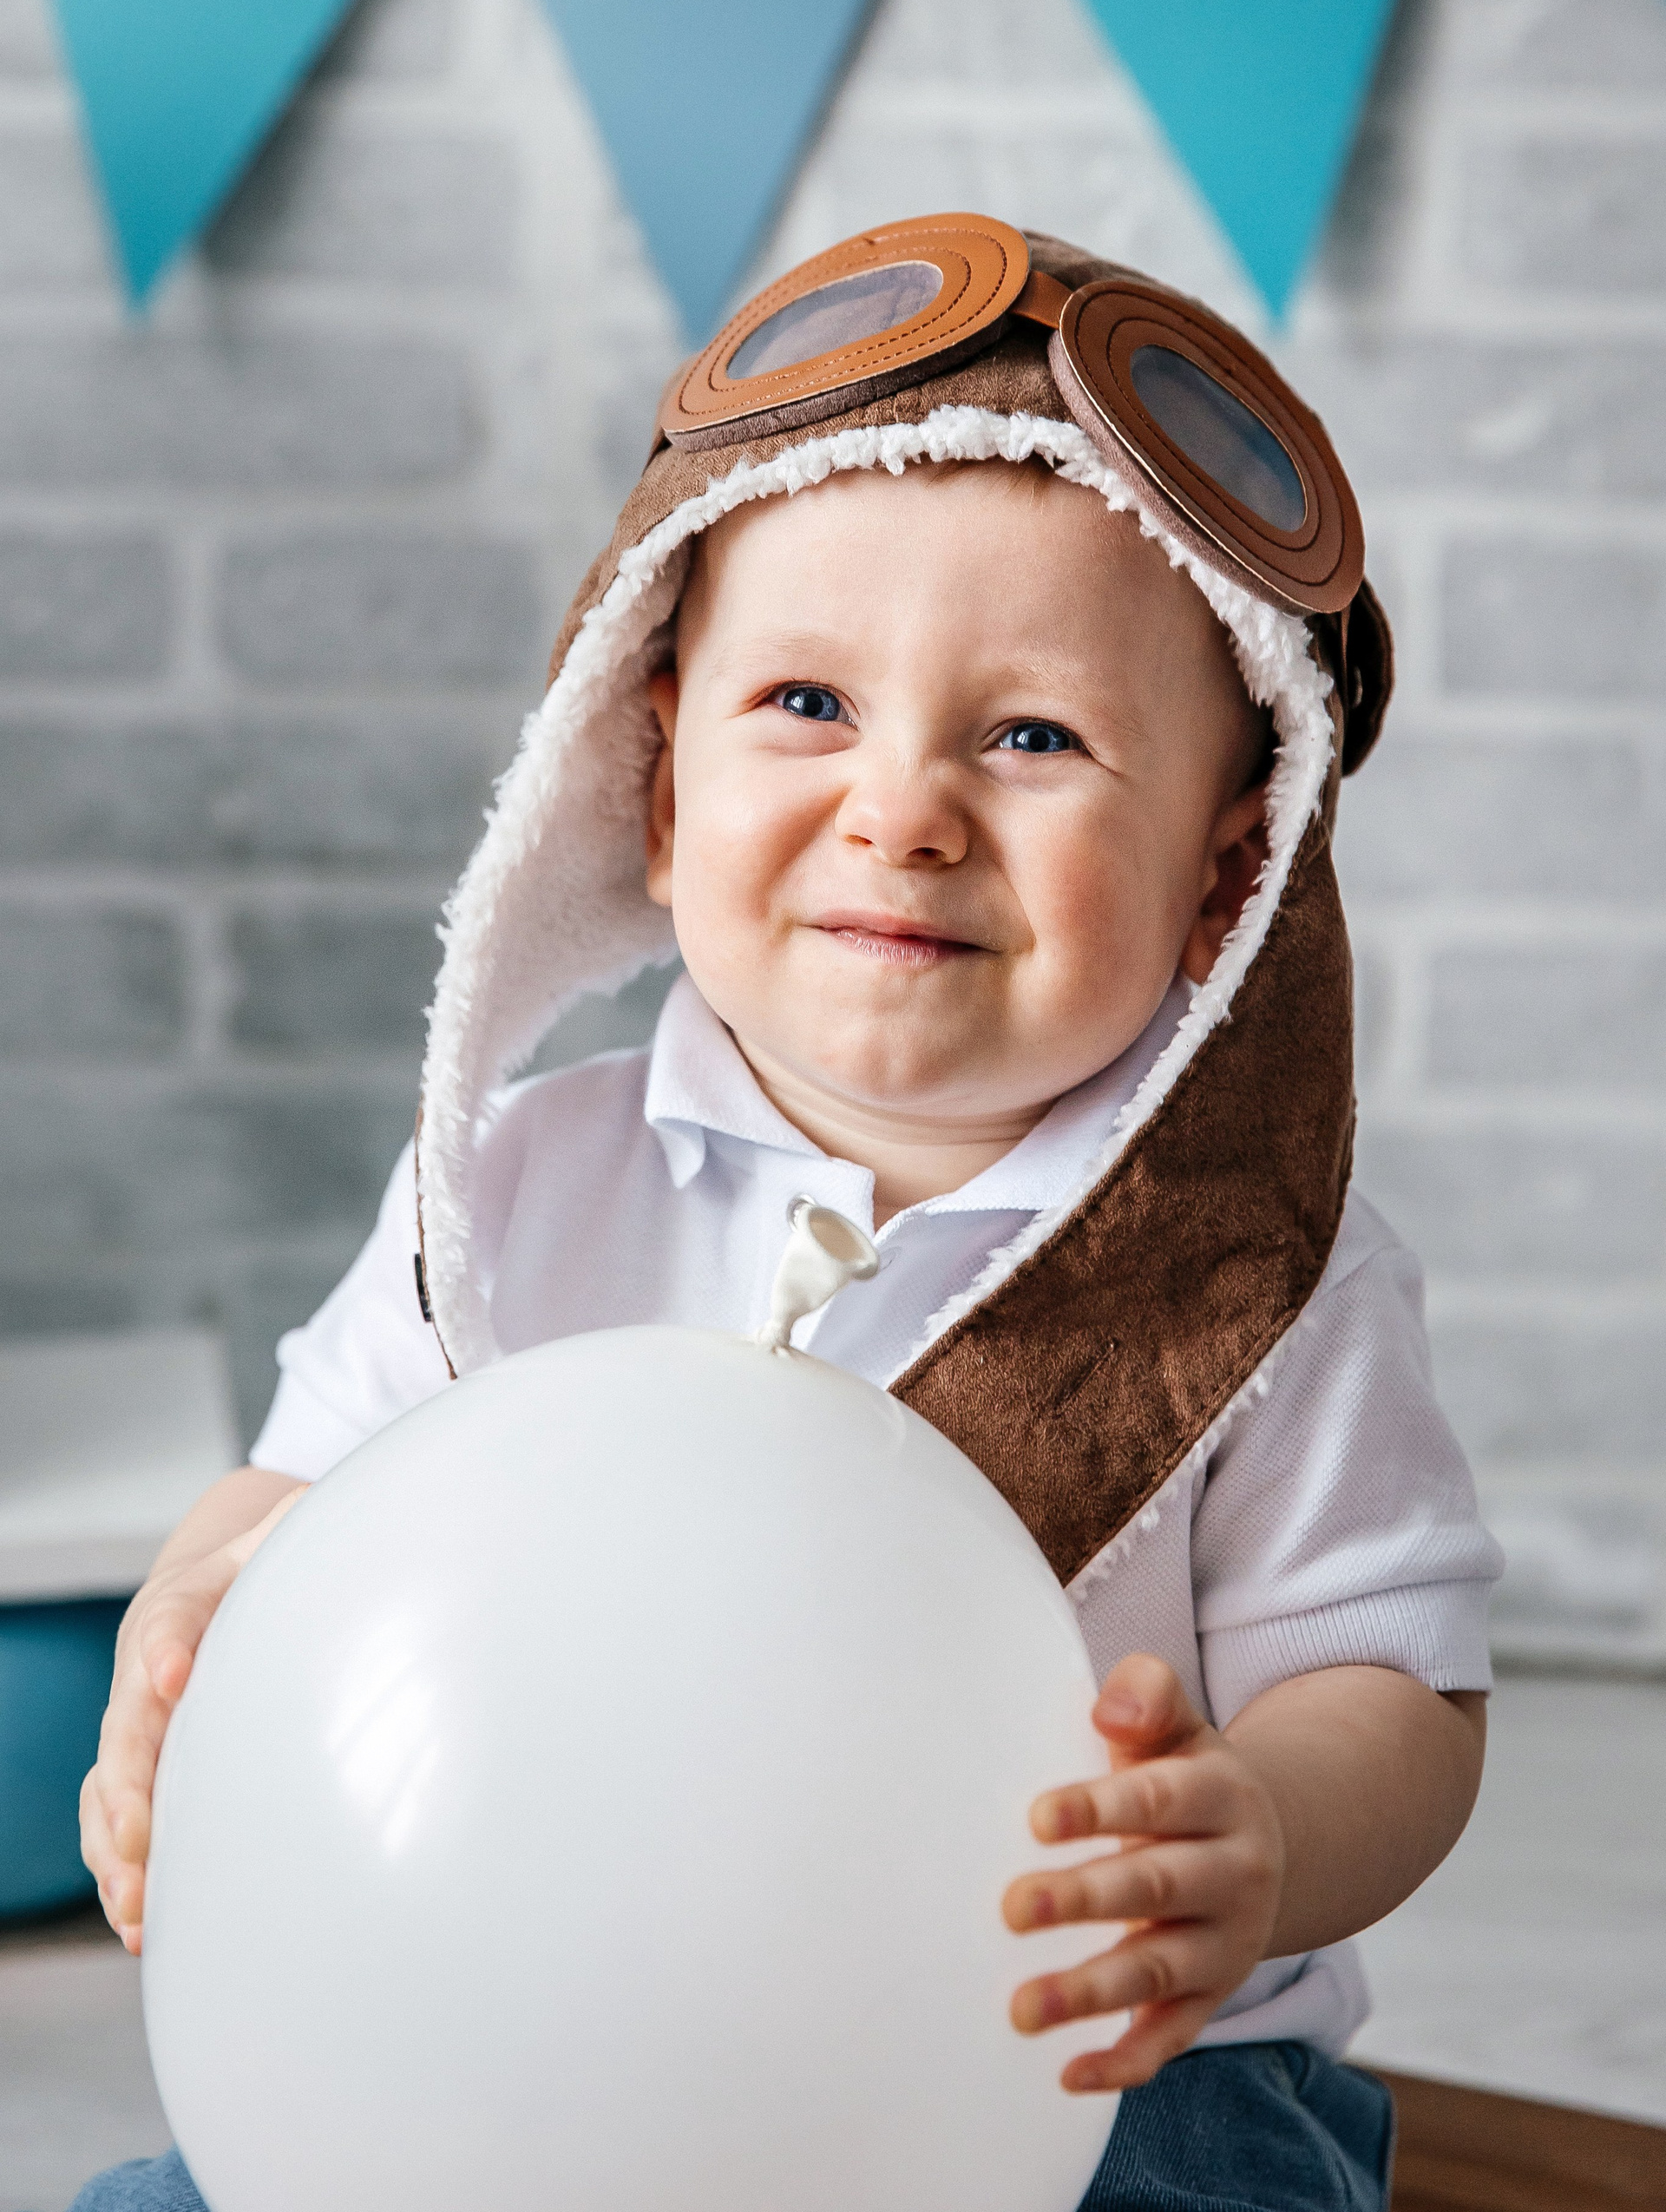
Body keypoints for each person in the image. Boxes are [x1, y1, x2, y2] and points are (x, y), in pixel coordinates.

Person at [75, 218, 1500, 2212]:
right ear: (660, 796)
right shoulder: (517, 1185)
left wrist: (1250, 1832)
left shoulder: (1263, 1281)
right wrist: (184, 1634)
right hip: (530, 2027)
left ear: (1222, 877)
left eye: (1034, 737)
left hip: (1089, 2074)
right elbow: (295, 1503)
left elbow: (1400, 1692)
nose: (901, 810)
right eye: (811, 703)